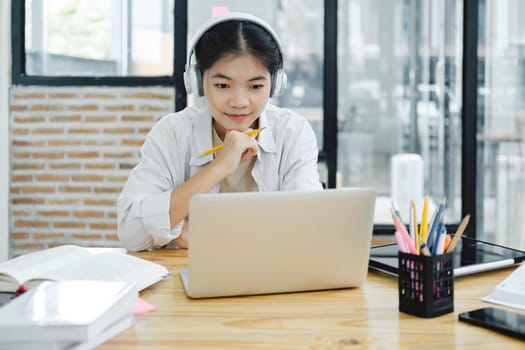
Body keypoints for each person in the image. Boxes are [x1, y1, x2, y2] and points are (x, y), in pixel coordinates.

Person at [117, 12, 323, 252]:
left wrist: (191, 234)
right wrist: (218, 168)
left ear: (275, 84)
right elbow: (131, 233)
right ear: (197, 81)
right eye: (222, 85)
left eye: (256, 86)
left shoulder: (292, 132)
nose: (240, 102)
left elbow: (308, 227)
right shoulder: (172, 133)